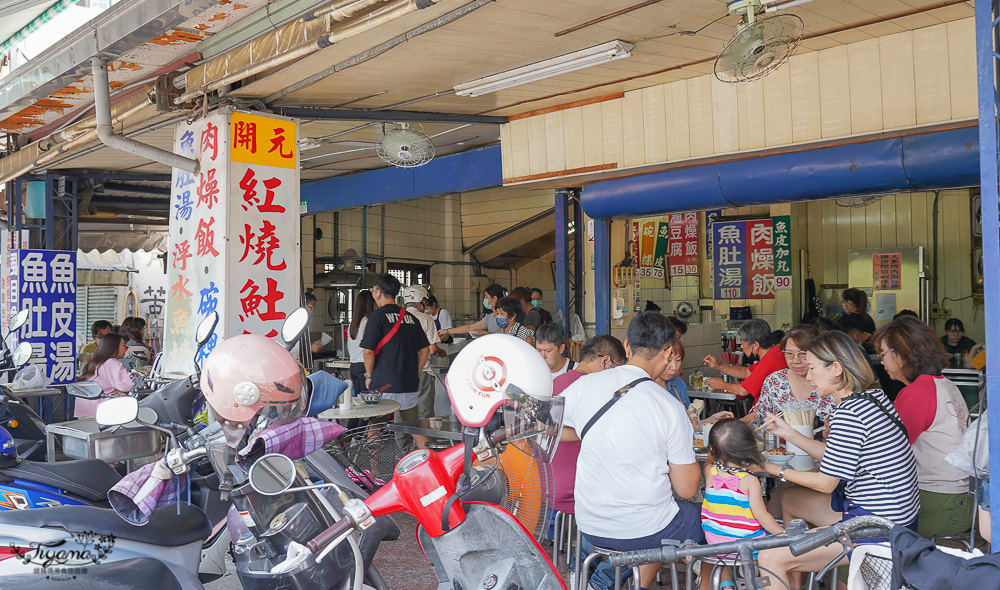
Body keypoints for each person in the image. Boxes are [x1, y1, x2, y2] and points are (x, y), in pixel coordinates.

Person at [757, 331, 919, 586]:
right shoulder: (872, 398)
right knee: (790, 498)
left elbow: (826, 482)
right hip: (898, 516)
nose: (808, 377)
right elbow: (836, 457)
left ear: (835, 368)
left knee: (769, 558)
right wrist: (788, 432)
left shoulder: (849, 413)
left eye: (811, 368)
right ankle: (796, 582)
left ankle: (787, 567)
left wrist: (768, 468)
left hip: (877, 526)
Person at [561, 312, 703, 590]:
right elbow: (686, 489)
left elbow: (549, 427)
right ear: (668, 352)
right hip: (642, 532)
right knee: (710, 519)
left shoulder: (583, 385)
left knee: (658, 514)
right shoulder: (669, 406)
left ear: (627, 347)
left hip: (589, 526)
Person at [874, 317, 973, 538]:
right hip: (960, 500)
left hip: (937, 503)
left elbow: (884, 451)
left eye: (883, 354)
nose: (881, 362)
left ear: (901, 355)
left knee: (857, 529)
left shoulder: (917, 392)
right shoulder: (944, 384)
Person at [700, 419, 784, 590]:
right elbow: (761, 515)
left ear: (713, 449)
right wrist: (783, 535)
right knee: (772, 535)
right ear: (749, 448)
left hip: (715, 540)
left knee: (723, 553)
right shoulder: (749, 480)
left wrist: (713, 452)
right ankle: (760, 583)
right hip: (746, 545)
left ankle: (727, 584)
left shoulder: (710, 472)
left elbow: (709, 462)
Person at [551, 335, 627, 517]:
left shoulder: (554, 383)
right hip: (577, 490)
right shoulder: (595, 390)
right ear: (605, 362)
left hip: (546, 486)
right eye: (617, 368)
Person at [360, 274, 430, 451]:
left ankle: (374, 475)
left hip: (384, 383)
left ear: (378, 292)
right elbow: (425, 350)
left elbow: (368, 351)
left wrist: (368, 375)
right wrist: (416, 371)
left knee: (375, 427)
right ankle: (430, 468)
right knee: (414, 427)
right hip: (408, 382)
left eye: (374, 290)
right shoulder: (410, 318)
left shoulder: (377, 317)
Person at [740, 324, 834, 424]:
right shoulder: (775, 380)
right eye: (789, 353)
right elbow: (759, 413)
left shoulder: (831, 383)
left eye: (803, 354)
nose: (795, 360)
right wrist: (736, 424)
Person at [703, 319, 786, 400]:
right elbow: (746, 372)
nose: (741, 346)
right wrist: (718, 366)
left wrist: (722, 385)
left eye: (742, 341)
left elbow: (743, 390)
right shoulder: (775, 354)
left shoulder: (768, 363)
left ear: (755, 345)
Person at [400, 285, 446, 419]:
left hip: (400, 371)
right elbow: (432, 349)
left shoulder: (397, 317)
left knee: (401, 411)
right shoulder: (426, 319)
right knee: (423, 412)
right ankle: (422, 440)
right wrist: (442, 352)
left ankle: (402, 440)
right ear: (423, 302)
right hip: (422, 371)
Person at [76, 333, 135, 418]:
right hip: (97, 411)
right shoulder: (112, 363)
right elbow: (127, 384)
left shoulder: (95, 362)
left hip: (83, 409)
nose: (125, 349)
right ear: (114, 349)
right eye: (123, 345)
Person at [439, 284, 506, 340]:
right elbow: (469, 328)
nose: (484, 299)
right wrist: (447, 331)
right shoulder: (489, 317)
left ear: (494, 298)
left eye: (486, 297)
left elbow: (507, 336)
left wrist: (487, 334)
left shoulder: (505, 317)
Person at [347, 290, 375, 404]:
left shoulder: (352, 323)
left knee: (359, 404)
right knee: (367, 405)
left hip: (353, 366)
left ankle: (355, 423)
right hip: (364, 367)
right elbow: (368, 348)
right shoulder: (367, 322)